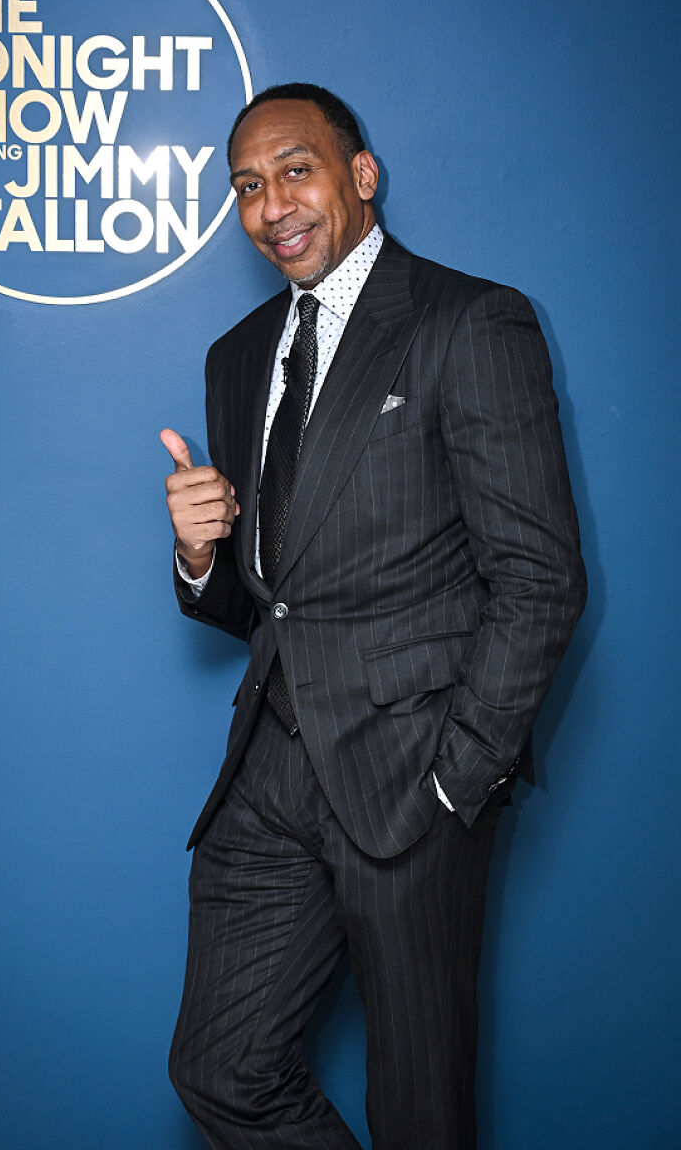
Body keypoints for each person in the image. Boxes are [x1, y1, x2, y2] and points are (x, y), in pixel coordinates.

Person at [160, 83, 586, 1150]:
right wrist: (199, 555)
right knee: (221, 1066)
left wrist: (456, 777)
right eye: (247, 187)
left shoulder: (468, 320)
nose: (270, 206)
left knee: (419, 1109)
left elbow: (539, 577)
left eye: (294, 170)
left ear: (360, 175)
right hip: (269, 773)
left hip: (413, 777)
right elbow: (270, 599)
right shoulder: (236, 354)